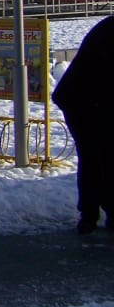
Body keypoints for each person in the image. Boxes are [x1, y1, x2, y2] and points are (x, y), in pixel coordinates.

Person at [51, 16, 114, 234]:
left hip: (95, 102)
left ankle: (103, 211)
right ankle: (89, 215)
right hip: (81, 103)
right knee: (93, 156)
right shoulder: (110, 32)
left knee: (104, 156)